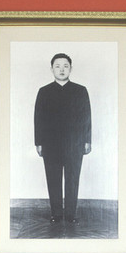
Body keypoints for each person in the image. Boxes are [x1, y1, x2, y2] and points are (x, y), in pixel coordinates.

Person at [34, 53, 92, 224]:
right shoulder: (44, 92)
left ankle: (71, 214)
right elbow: (38, 118)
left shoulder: (80, 91)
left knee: (73, 178)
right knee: (53, 178)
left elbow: (86, 117)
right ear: (52, 69)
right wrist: (38, 142)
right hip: (50, 143)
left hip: (75, 143)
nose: (61, 70)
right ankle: (56, 214)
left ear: (70, 69)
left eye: (65, 66)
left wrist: (87, 140)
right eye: (57, 66)